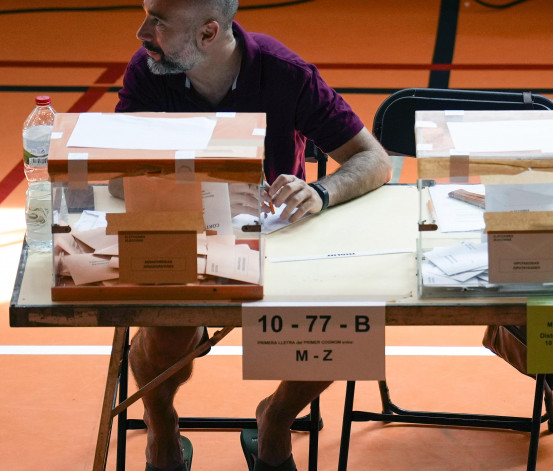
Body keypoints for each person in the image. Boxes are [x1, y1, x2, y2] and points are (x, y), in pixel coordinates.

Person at [115, 1, 392, 470]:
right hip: (183, 236)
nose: (142, 32)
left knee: (344, 329)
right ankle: (160, 421)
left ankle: (276, 418)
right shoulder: (147, 70)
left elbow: (374, 160)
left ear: (207, 33)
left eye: (158, 21)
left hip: (275, 241)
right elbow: (117, 174)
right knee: (166, 328)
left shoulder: (286, 73)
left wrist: (321, 191)